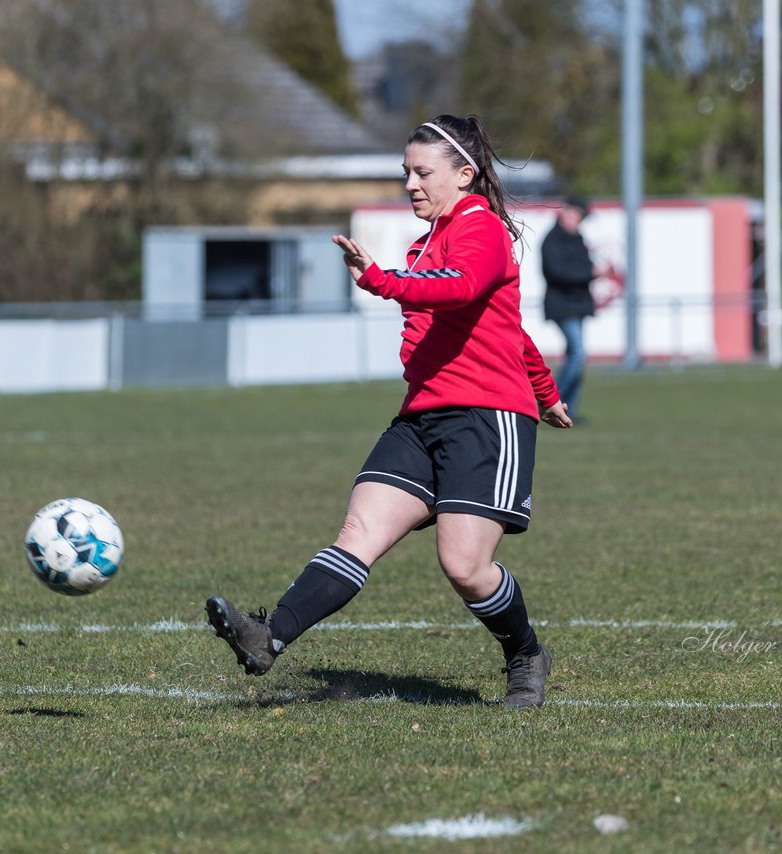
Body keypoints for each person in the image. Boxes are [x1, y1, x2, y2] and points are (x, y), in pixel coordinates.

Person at [206, 114, 573, 708]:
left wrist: (381, 280)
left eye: (422, 172)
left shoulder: (481, 228)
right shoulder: (425, 242)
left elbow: (460, 290)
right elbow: (508, 330)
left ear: (464, 173)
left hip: (486, 417)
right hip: (421, 417)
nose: (410, 183)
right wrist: (549, 390)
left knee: (464, 564)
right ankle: (267, 635)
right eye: (405, 172)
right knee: (358, 531)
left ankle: (525, 654)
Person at [541, 195, 616, 420]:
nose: (579, 221)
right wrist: (592, 273)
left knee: (576, 356)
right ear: (566, 212)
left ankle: (568, 406)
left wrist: (595, 271)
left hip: (577, 304)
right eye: (577, 216)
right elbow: (557, 273)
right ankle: (553, 403)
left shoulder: (577, 238)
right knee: (577, 354)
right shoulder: (552, 240)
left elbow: (582, 267)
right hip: (562, 305)